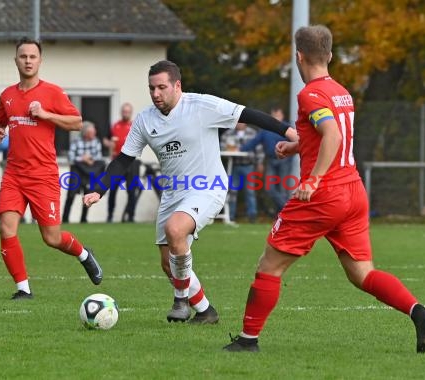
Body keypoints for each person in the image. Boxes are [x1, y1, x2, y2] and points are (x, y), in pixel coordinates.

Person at [223, 25, 425, 353]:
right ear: (331, 56)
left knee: (269, 266)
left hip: (324, 195)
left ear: (299, 56)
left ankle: (248, 340)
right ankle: (418, 311)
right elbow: (329, 133)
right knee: (362, 273)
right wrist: (296, 148)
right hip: (353, 191)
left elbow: (333, 136)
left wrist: (312, 179)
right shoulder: (341, 91)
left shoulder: (309, 93)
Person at [84, 60, 296, 324]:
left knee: (176, 230)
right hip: (173, 193)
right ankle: (206, 311)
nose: (156, 94)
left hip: (207, 187)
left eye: (162, 87)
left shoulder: (202, 105)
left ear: (177, 86)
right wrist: (99, 189)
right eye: (152, 88)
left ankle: (180, 300)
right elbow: (124, 160)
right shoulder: (145, 119)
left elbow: (249, 115)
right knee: (167, 262)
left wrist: (290, 132)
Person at [0, 37, 103, 300]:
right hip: (14, 174)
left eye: (32, 57)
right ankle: (23, 289)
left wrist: (45, 115)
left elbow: (77, 122)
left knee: (51, 238)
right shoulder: (7, 95)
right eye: (23, 56)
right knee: (6, 228)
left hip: (43, 176)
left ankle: (85, 254)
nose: (28, 61)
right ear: (15, 60)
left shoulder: (52, 92)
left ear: (40, 61)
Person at [241, 106, 298, 216]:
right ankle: (288, 210)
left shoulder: (288, 129)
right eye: (274, 115)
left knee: (283, 189)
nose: (276, 117)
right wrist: (241, 149)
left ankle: (283, 215)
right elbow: (254, 142)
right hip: (271, 160)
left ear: (282, 116)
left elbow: (297, 143)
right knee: (269, 188)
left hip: (285, 161)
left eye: (278, 115)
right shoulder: (266, 130)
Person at [103, 102, 141, 223]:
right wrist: (109, 144)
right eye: (124, 111)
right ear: (121, 112)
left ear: (131, 113)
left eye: (128, 111)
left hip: (132, 162)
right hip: (117, 161)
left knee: (131, 189)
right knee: (112, 189)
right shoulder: (115, 126)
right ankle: (110, 216)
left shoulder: (135, 126)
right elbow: (105, 139)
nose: (126, 113)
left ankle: (131, 216)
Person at [62, 121, 105, 223]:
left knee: (88, 193)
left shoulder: (96, 141)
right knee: (71, 195)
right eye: (92, 132)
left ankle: (83, 218)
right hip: (78, 170)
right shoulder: (76, 142)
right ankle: (65, 218)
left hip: (90, 170)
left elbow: (98, 157)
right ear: (86, 133)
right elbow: (71, 157)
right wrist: (82, 158)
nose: (94, 133)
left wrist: (89, 159)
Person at [220, 122, 263, 223]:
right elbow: (222, 148)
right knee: (232, 191)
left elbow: (259, 149)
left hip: (249, 165)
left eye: (241, 121)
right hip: (233, 165)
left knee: (250, 191)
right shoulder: (228, 134)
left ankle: (252, 216)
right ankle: (230, 216)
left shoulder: (253, 133)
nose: (239, 123)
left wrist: (260, 162)